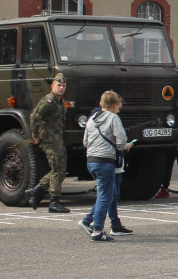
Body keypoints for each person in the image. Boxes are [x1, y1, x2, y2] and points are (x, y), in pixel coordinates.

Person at [80, 91, 130, 241]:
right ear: (114, 105)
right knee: (105, 196)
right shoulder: (113, 118)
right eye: (118, 107)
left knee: (105, 193)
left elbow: (85, 142)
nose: (118, 110)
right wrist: (126, 146)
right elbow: (121, 141)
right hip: (105, 161)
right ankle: (97, 230)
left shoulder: (92, 119)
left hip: (91, 160)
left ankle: (89, 221)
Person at [28, 73, 70, 213]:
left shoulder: (60, 101)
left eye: (63, 86)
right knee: (58, 170)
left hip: (57, 140)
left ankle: (36, 191)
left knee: (60, 170)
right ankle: (54, 202)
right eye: (59, 85)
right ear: (53, 86)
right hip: (49, 140)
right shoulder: (48, 101)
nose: (61, 88)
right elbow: (34, 117)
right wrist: (35, 136)